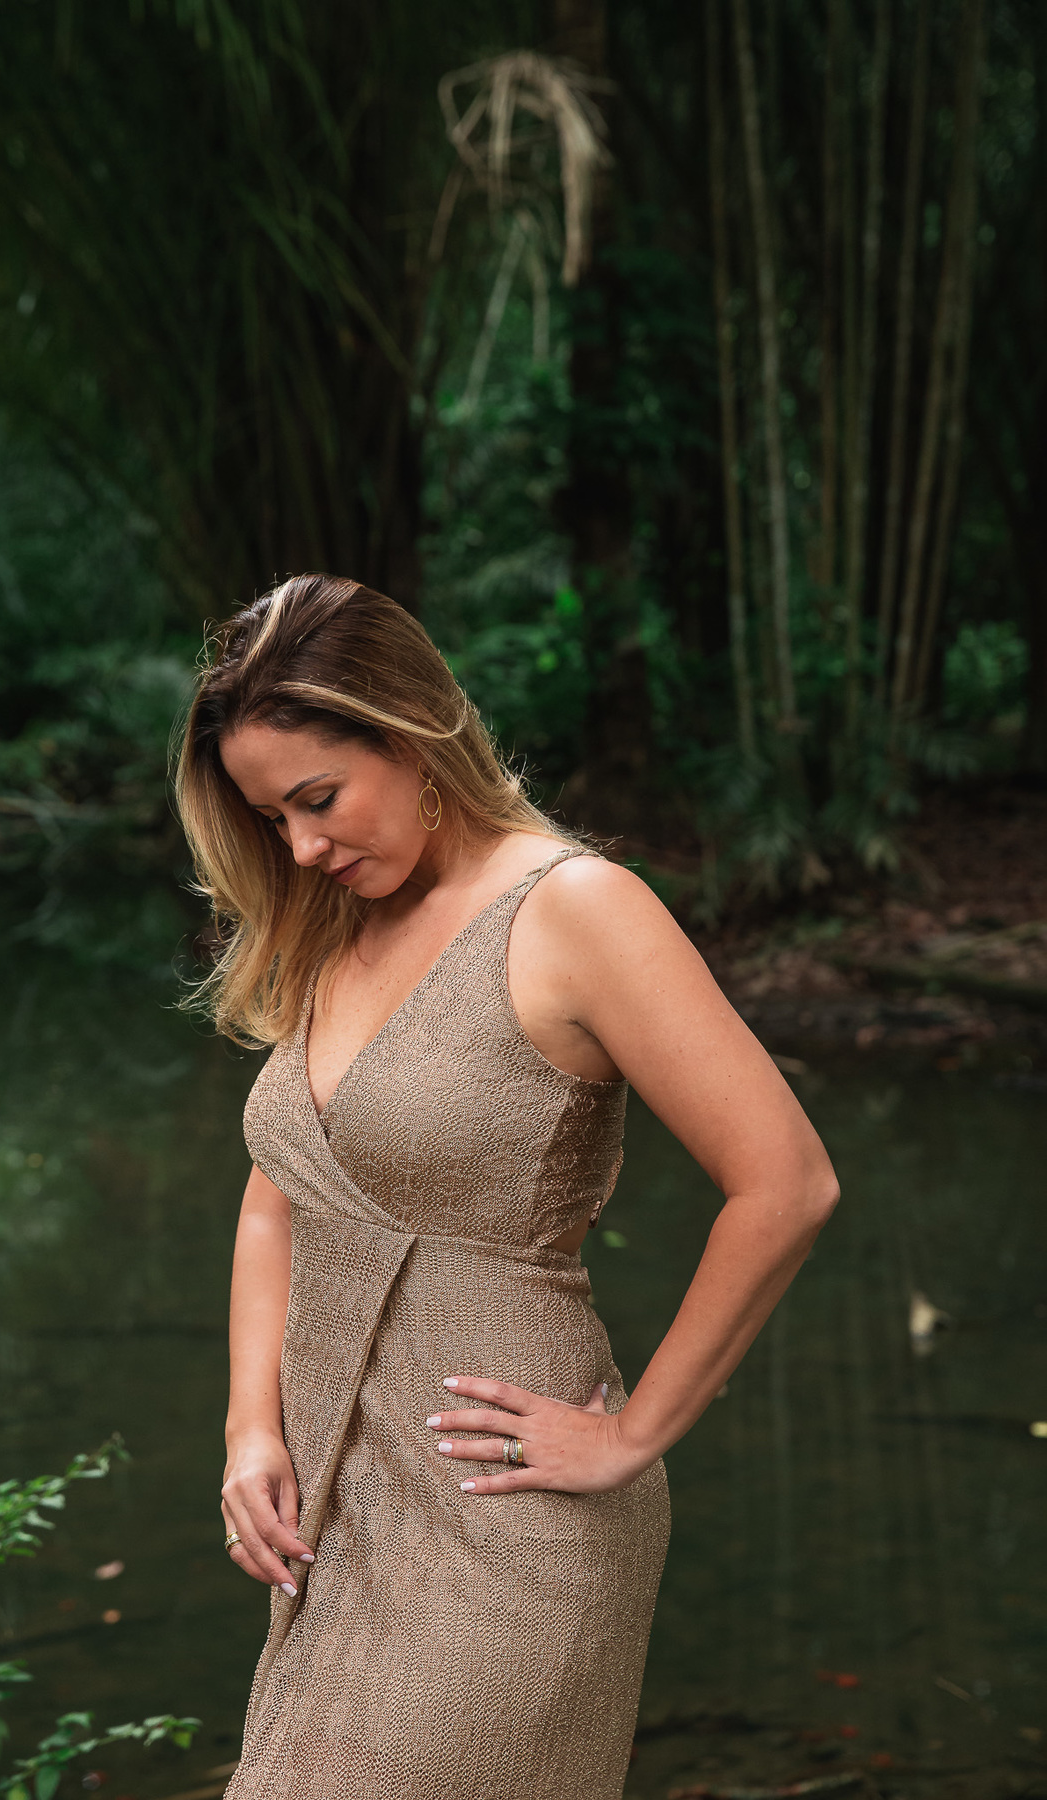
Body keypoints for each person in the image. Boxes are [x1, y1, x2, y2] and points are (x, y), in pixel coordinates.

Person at [174, 573, 839, 1800]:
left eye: (318, 799)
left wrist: (633, 1436)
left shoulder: (575, 909)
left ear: (413, 729)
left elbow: (786, 1184)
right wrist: (249, 1427)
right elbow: (278, 1194)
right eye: (274, 821)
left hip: (507, 1526)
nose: (305, 847)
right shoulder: (336, 923)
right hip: (340, 1520)